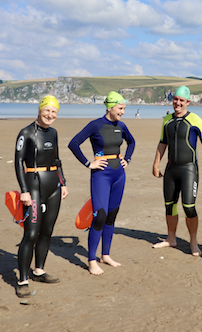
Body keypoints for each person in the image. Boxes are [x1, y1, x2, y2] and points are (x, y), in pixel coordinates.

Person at [68, 91, 135, 275]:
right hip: (101, 176)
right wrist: (89, 163)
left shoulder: (121, 126)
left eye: (124, 109)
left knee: (112, 215)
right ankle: (91, 260)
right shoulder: (95, 125)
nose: (122, 112)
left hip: (119, 175)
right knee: (100, 216)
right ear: (110, 107)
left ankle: (105, 255)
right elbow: (74, 143)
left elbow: (132, 142)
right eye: (120, 108)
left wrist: (127, 160)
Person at [152, 86, 202, 256]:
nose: (178, 103)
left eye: (181, 100)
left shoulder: (196, 120)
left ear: (188, 102)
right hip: (171, 169)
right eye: (175, 99)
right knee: (169, 205)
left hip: (189, 169)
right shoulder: (167, 119)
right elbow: (162, 143)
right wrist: (156, 163)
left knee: (189, 206)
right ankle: (171, 238)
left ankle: (193, 241)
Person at [14, 95, 68, 298]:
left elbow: (57, 159)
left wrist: (63, 183)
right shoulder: (26, 133)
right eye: (47, 110)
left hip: (53, 185)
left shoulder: (53, 133)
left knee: (47, 231)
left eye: (54, 112)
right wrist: (24, 190)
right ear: (39, 110)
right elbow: (19, 162)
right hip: (34, 186)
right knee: (30, 233)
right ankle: (23, 280)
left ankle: (39, 270)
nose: (50, 115)